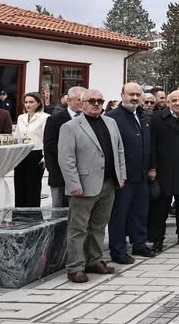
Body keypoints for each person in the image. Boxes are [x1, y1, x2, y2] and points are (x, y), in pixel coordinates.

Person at [58, 89, 126, 282]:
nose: (96, 104)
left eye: (100, 101)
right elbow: (66, 159)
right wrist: (73, 185)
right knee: (78, 228)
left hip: (108, 183)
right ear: (82, 103)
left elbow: (119, 150)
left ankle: (94, 260)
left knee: (98, 226)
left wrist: (121, 176)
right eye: (92, 101)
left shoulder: (111, 123)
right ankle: (75, 267)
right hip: (83, 186)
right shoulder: (70, 127)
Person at [106, 82, 155, 264]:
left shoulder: (144, 116)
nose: (134, 98)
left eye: (137, 94)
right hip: (123, 177)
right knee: (119, 214)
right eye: (130, 94)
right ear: (122, 95)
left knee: (140, 212)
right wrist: (117, 174)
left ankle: (139, 243)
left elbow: (150, 144)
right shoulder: (112, 118)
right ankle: (118, 250)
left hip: (141, 174)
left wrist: (152, 167)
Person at [148, 90, 179, 250]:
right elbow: (151, 145)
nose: (177, 103)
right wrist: (152, 167)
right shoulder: (156, 118)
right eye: (174, 100)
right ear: (168, 102)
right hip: (163, 169)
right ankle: (158, 238)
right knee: (161, 207)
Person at [43, 86, 85, 208]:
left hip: (84, 174)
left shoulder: (90, 120)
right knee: (60, 210)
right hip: (60, 173)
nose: (82, 103)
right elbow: (50, 146)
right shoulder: (54, 119)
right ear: (69, 100)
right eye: (79, 100)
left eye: (84, 100)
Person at [12, 92, 50, 207]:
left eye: (31, 102)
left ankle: (33, 215)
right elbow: (17, 136)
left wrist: (45, 158)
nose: (28, 105)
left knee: (33, 186)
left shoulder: (45, 117)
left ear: (38, 103)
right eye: (26, 102)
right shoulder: (21, 117)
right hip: (21, 154)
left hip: (36, 154)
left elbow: (46, 139)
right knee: (19, 184)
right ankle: (19, 215)